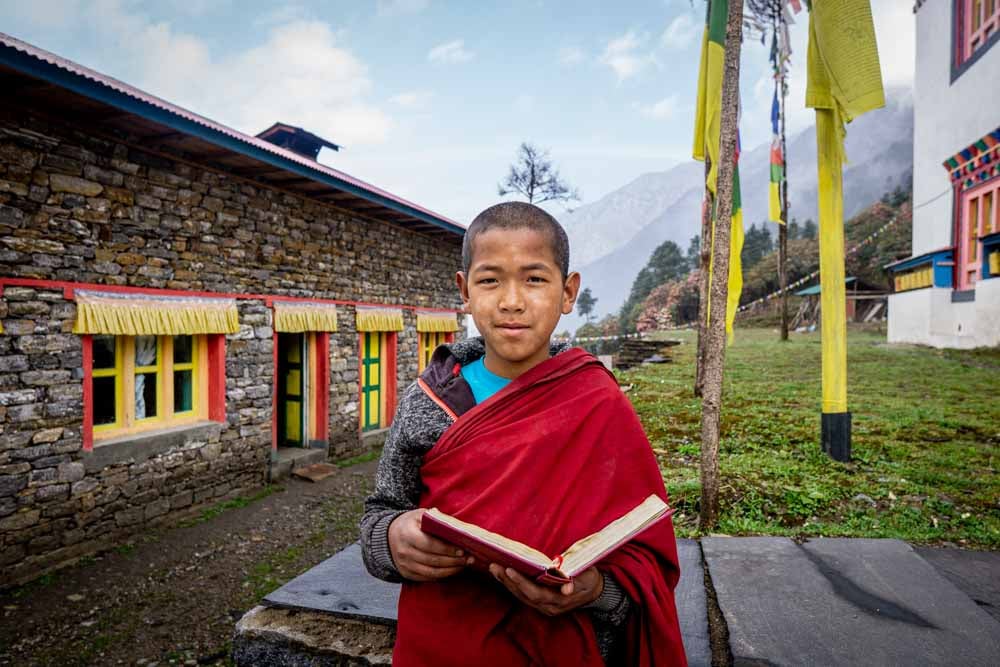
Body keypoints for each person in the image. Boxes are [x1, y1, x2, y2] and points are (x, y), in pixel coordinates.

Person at [359, 201, 686, 666]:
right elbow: (381, 512)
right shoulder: (428, 402)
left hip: (571, 643)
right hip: (446, 644)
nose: (512, 301)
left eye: (535, 279)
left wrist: (593, 591)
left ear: (568, 292)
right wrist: (391, 541)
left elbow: (647, 562)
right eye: (490, 280)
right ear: (464, 291)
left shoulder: (597, 401)